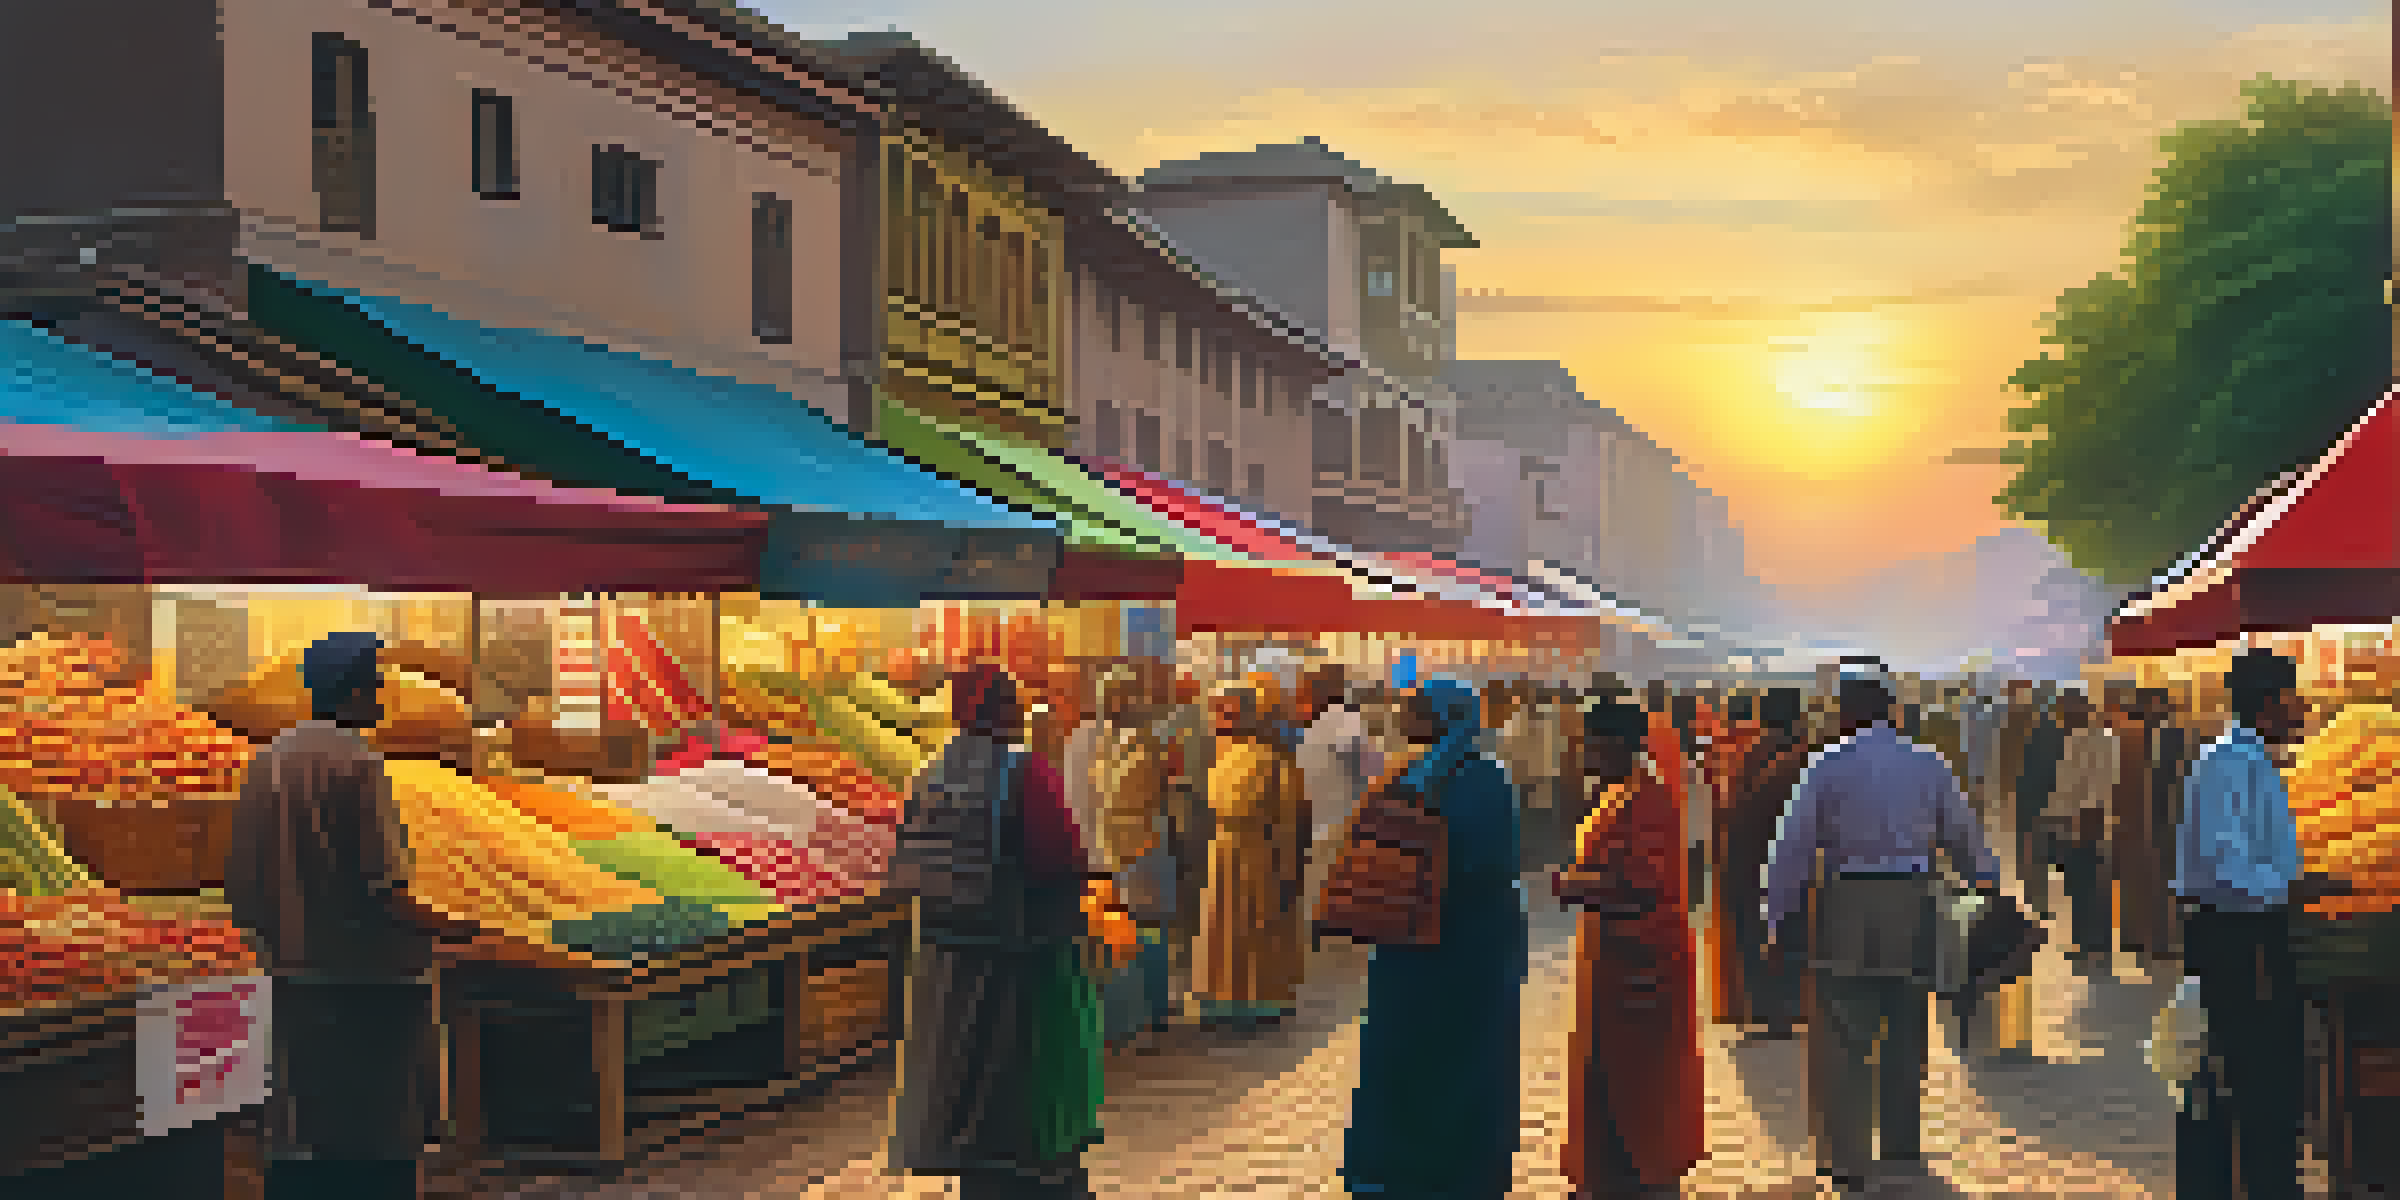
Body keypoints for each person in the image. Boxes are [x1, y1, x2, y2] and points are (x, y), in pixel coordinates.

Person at [225, 632, 464, 1200]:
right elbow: (383, 887)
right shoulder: (359, 765)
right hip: (365, 984)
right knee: (374, 1134)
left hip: (287, 973)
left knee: (300, 1129)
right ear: (354, 691)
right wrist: (456, 928)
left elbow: (240, 874)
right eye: (376, 682)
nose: (382, 693)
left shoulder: (268, 758)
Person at [1763, 661, 2000, 1193]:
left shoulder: (1828, 765)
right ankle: (1899, 1147)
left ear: (1850, 708)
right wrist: (1988, 885)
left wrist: (1776, 919)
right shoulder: (1927, 764)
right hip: (1917, 903)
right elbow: (1964, 837)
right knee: (1904, 1025)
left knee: (1843, 1031)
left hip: (1848, 903)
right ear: (1889, 706)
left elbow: (1793, 850)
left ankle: (1846, 1157)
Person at [888, 664, 1103, 1200]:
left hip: (947, 947)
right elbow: (1058, 853)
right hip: (1021, 945)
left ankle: (967, 1150)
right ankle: (1030, 1164)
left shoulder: (932, 770)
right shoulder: (1025, 771)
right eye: (1013, 703)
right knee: (1021, 1057)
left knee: (960, 1056)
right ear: (1005, 710)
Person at [2172, 650, 2353, 1200]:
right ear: (2271, 704)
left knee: (2262, 1071)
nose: (2302, 706)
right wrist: (2296, 888)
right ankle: (2260, 1184)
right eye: (2293, 696)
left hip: (2253, 932)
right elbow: (2225, 865)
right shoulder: (2230, 763)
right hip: (2238, 938)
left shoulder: (2253, 760)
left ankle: (2266, 1180)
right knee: (2255, 1073)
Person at [1340, 679, 1529, 1199]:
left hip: (1433, 942)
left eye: (1415, 710)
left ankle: (1408, 1167)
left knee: (1422, 1052)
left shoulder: (1417, 776)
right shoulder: (1482, 778)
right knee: (1458, 1053)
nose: (1404, 718)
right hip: (1465, 942)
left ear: (1440, 718)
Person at [1557, 700, 1705, 1199]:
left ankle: (1639, 1171)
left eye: (1592, 742)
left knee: (1637, 1076)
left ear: (1618, 744)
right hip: (1614, 956)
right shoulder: (1620, 793)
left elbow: (1642, 884)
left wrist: (1578, 886)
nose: (1584, 752)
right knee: (1608, 1069)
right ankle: (1612, 1168)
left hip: (1642, 956)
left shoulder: (1648, 799)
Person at [1195, 677, 1311, 1028]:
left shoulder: (1274, 759)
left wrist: (1287, 866)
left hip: (1260, 856)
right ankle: (1221, 1002)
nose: (1222, 720)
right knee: (1222, 931)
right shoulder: (1220, 756)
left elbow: (1289, 818)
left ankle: (1259, 1004)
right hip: (1223, 853)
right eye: (1218, 712)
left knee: (1254, 930)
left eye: (1229, 711)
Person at [1085, 666, 1176, 1046]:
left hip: (1140, 841)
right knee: (1125, 924)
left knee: (1145, 923)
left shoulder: (1144, 741)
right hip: (1119, 840)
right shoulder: (1112, 740)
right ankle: (1137, 1012)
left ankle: (1152, 1011)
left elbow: (1125, 790)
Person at [1724, 687, 1811, 1038]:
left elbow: (1736, 807)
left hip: (1750, 859)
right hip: (1795, 863)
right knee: (1794, 934)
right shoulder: (1808, 754)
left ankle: (1762, 1012)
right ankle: (1791, 1010)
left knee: (1756, 936)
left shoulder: (1751, 754)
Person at [2047, 688, 2118, 968]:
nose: (2060, 716)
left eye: (2064, 710)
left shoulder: (2099, 741)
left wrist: (2083, 827)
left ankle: (2096, 946)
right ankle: (2086, 943)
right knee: (2079, 887)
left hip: (2087, 827)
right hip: (2074, 824)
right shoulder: (2077, 739)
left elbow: (2097, 790)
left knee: (2090, 887)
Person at [1297, 666, 1382, 892]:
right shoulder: (1340, 720)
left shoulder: (1334, 721)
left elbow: (1367, 765)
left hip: (1324, 828)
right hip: (1334, 828)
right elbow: (1373, 768)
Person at [2108, 684, 2170, 964]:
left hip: (2149, 822)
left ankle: (2148, 938)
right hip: (2136, 822)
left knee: (2149, 883)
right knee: (2141, 882)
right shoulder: (2128, 738)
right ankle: (2142, 937)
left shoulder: (2133, 737)